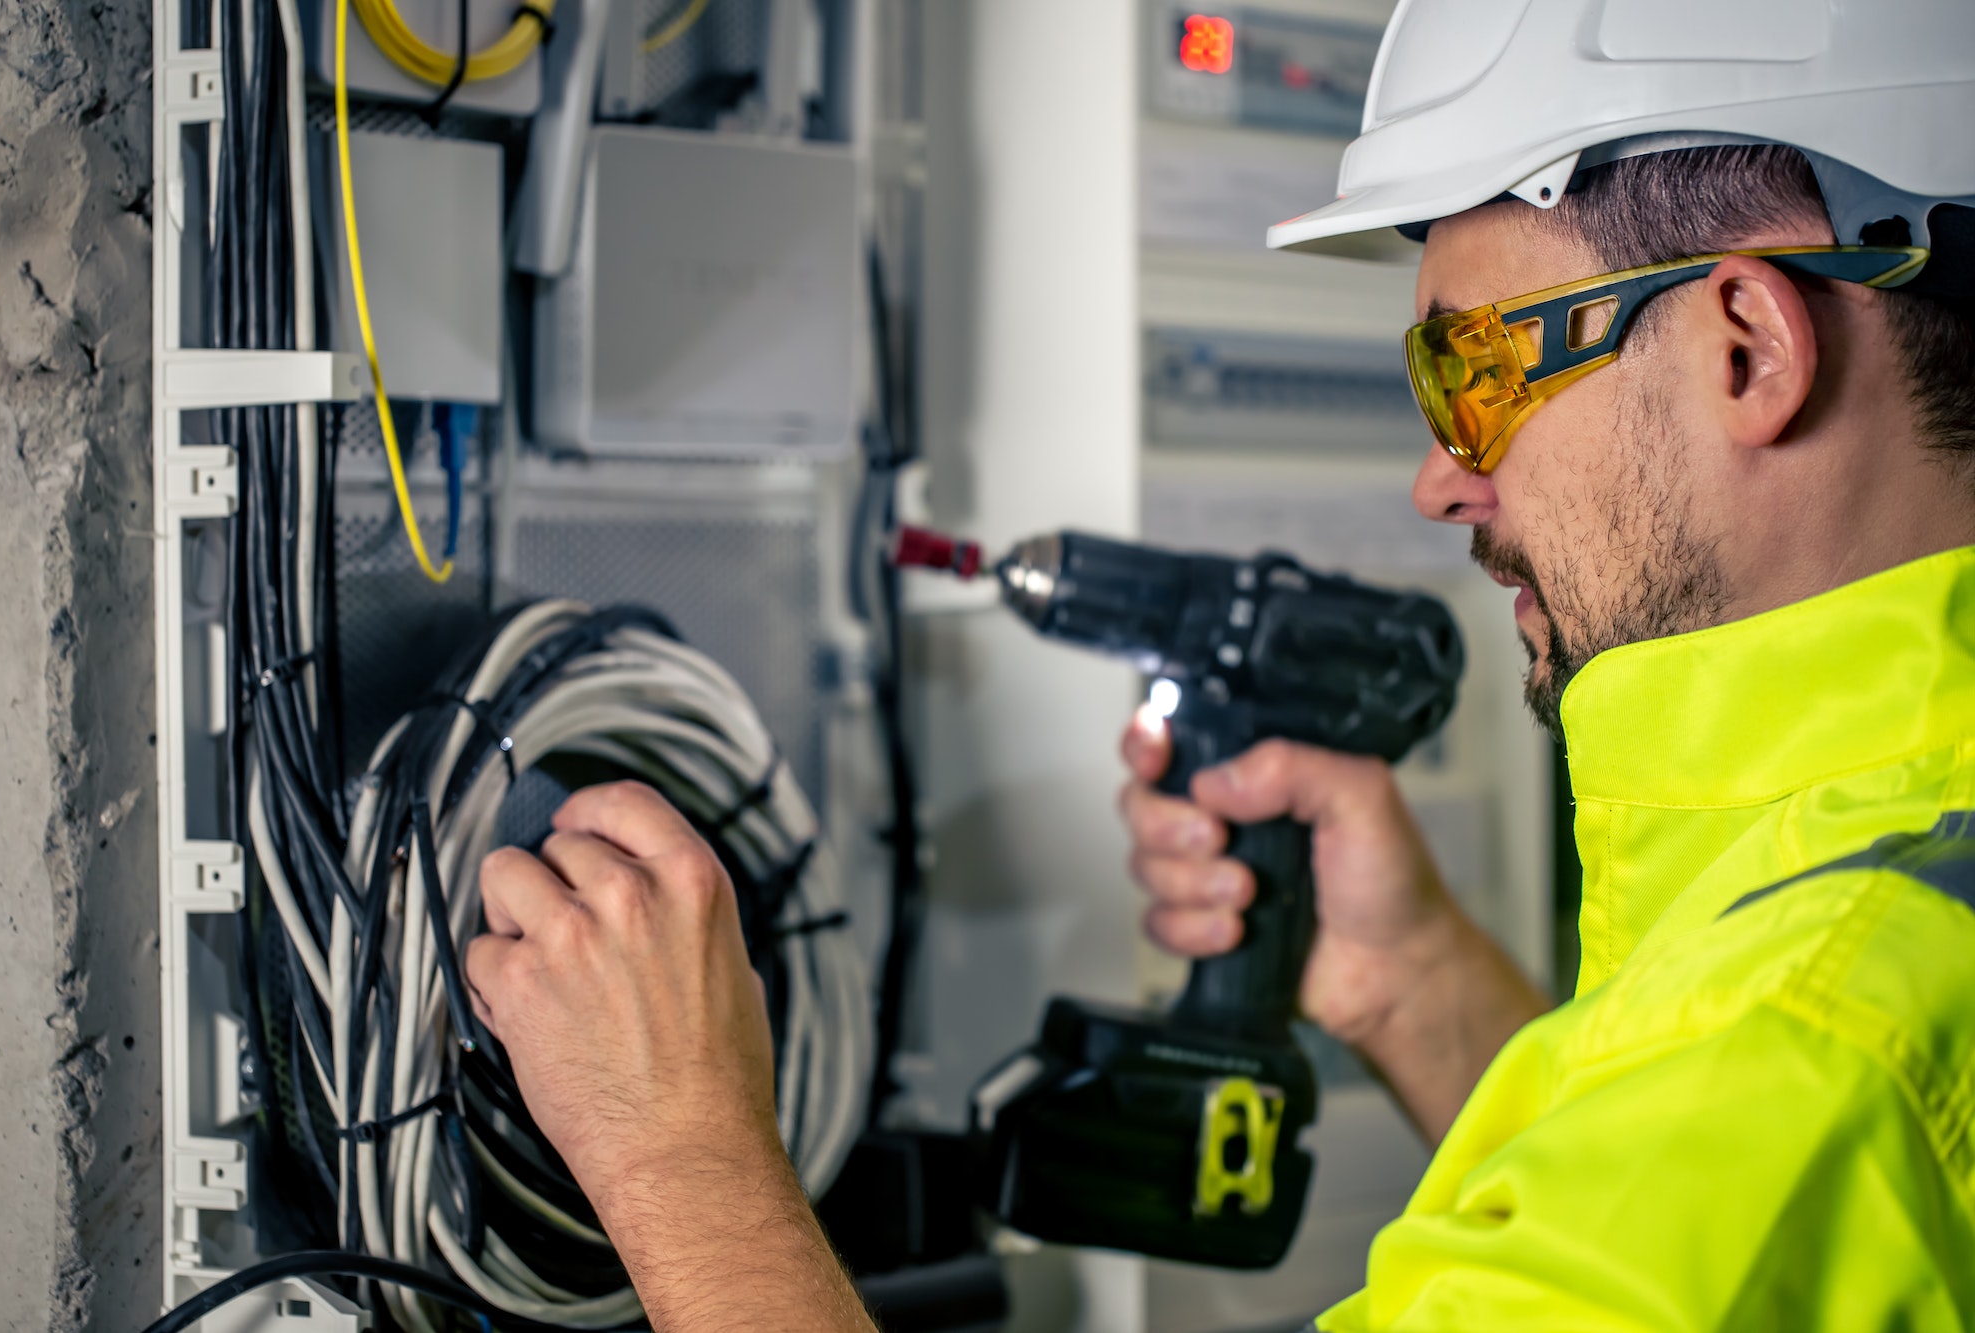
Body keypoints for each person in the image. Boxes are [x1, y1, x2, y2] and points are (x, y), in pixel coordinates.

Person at [465, 3, 1975, 1328]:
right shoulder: (1875, 888)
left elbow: (1720, 1160)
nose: (1442, 481)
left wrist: (677, 1148)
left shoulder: (1806, 1046)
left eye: (1474, 373)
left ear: (1745, 350)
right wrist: (1409, 978)